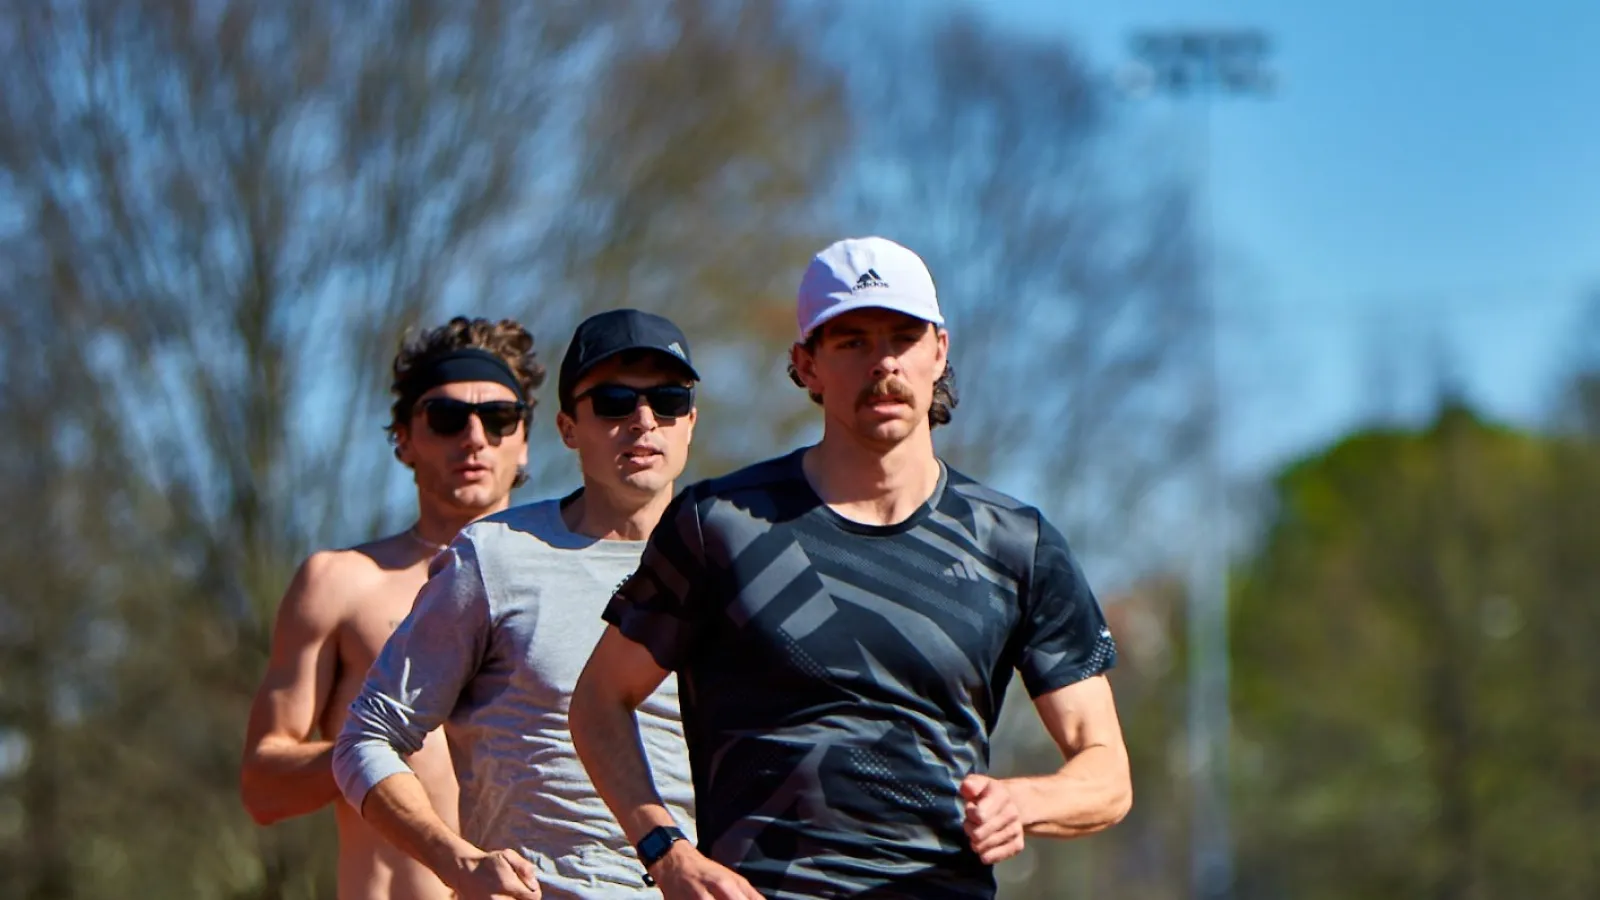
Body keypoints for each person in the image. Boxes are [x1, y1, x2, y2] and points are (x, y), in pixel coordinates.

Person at [570, 237, 1133, 899]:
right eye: (852, 342)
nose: (883, 362)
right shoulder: (718, 524)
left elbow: (1107, 772)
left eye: (902, 337)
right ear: (806, 365)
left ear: (939, 352)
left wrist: (1025, 802)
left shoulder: (1016, 544)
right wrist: (667, 852)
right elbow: (599, 702)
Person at [333, 309, 703, 900]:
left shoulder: (737, 562)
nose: (642, 421)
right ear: (566, 427)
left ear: (690, 420)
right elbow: (366, 741)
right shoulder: (495, 556)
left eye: (666, 399)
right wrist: (456, 860)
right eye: (612, 401)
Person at [241, 316, 545, 900]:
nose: (475, 436)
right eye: (447, 417)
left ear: (526, 437)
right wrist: (371, 747)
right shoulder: (340, 583)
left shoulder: (580, 585)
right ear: (403, 437)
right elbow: (262, 787)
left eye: (500, 417)